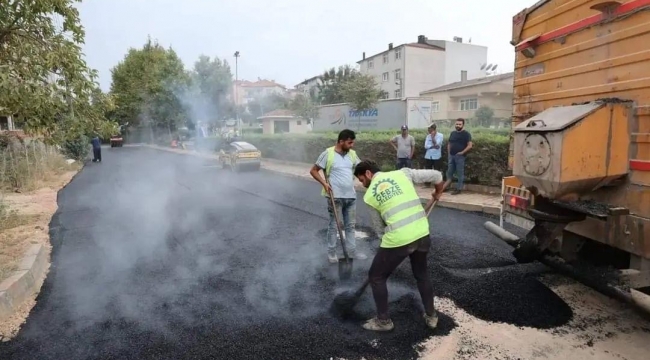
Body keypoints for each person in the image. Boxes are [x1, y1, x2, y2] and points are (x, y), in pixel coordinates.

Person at [353, 159, 444, 332]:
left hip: (398, 240)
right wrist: (437, 192)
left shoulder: (370, 195)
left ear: (368, 173)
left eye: (361, 180)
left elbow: (380, 230)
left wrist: (386, 251)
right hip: (422, 233)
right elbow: (437, 176)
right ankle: (432, 316)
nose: (362, 184)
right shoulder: (403, 173)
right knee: (421, 274)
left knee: (376, 276)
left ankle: (383, 321)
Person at [310, 129, 367, 263]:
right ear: (341, 141)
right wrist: (324, 183)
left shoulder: (352, 154)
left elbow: (361, 168)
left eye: (353, 143)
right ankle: (332, 253)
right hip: (334, 196)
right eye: (349, 142)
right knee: (334, 225)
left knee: (350, 226)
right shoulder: (328, 153)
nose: (352, 145)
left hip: (351, 196)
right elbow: (313, 171)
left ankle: (351, 252)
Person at [445, 118, 472, 195]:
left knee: (460, 173)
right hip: (451, 156)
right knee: (449, 173)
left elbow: (470, 145)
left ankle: (459, 189)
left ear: (463, 125)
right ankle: (447, 187)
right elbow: (449, 144)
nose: (458, 126)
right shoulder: (453, 133)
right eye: (457, 124)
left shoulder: (466, 134)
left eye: (460, 124)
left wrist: (462, 152)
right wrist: (449, 153)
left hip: (460, 157)